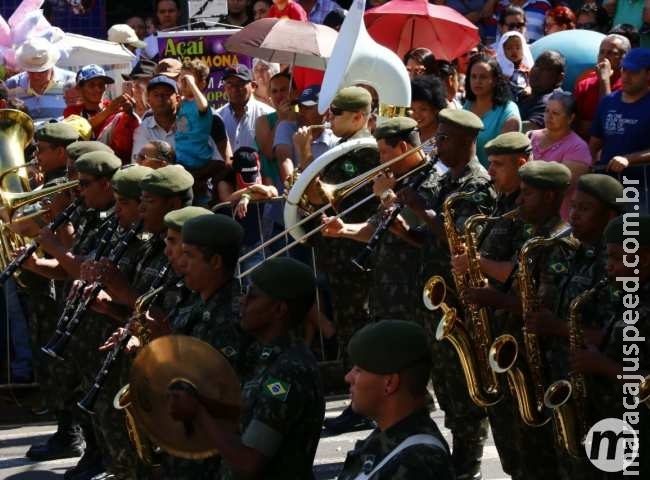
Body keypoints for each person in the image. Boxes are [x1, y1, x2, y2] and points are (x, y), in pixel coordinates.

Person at [397, 108, 495, 480]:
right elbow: (424, 236)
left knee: (464, 392)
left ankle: (467, 468)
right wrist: (404, 219)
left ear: (468, 141)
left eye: (444, 138)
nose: (437, 145)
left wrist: (420, 210)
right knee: (448, 390)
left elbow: (459, 237)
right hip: (437, 301)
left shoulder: (477, 183)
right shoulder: (443, 178)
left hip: (460, 300)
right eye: (436, 137)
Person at [167, 257, 325, 479]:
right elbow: (242, 419)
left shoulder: (289, 370)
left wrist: (199, 413)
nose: (242, 301)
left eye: (253, 296)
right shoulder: (265, 354)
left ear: (279, 309)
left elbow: (249, 463)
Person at [451, 131, 529, 478]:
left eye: (498, 164)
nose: (490, 170)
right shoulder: (500, 203)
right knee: (505, 430)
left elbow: (518, 271)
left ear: (522, 165)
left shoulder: (526, 208)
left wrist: (475, 263)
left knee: (526, 439)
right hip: (491, 325)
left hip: (516, 332)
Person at [321, 117, 424, 322]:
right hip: (386, 291)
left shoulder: (428, 180)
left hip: (413, 292)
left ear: (403, 147)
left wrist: (385, 195)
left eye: (384, 152)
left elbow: (409, 228)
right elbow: (378, 226)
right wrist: (343, 229)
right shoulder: (396, 180)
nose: (380, 161)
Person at [571, 215, 650, 478]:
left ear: (644, 258)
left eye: (616, 258)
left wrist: (602, 365)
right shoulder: (629, 295)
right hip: (613, 424)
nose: (609, 266)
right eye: (608, 257)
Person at [318, 86, 376, 434]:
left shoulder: (363, 151)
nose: (330, 117)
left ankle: (362, 403)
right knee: (349, 325)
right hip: (340, 255)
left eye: (337, 112)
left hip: (355, 254)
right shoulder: (343, 148)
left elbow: (346, 199)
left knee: (358, 327)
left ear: (358, 116)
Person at [336, 320, 455, 479]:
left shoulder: (416, 465)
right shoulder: (391, 438)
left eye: (359, 370)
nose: (348, 377)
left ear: (389, 383)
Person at [589, 47, 650, 213]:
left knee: (630, 235)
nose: (626, 76)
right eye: (625, 70)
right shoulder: (608, 102)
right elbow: (595, 142)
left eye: (634, 72)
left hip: (639, 187)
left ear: (648, 74)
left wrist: (629, 159)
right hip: (607, 183)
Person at [528, 91, 590, 221]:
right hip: (525, 213)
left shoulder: (578, 148)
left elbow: (561, 187)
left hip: (555, 220)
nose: (548, 117)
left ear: (570, 118)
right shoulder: (530, 136)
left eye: (555, 113)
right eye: (546, 111)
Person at [464, 53, 521, 167]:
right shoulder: (468, 105)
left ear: (495, 80)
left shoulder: (508, 112)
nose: (477, 81)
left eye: (483, 77)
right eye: (473, 76)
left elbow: (504, 157)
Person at [573, 34, 631, 138]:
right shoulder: (584, 84)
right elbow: (574, 123)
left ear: (625, 58)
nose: (604, 57)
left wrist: (604, 80)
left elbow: (610, 124)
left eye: (611, 53)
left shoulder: (629, 87)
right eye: (601, 52)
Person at [5, 36, 75, 119]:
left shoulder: (72, 82)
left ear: (51, 65)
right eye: (31, 71)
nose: (36, 76)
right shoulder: (11, 85)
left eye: (42, 71)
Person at [216, 64, 275, 152]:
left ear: (253, 86)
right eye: (230, 84)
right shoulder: (217, 117)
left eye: (240, 84)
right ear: (224, 87)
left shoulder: (268, 114)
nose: (235, 89)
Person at [517, 50, 566, 131]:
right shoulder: (528, 93)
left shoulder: (551, 101)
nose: (537, 71)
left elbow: (529, 129)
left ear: (559, 78)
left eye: (546, 69)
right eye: (537, 65)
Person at [496, 31, 533, 102]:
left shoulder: (527, 69)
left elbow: (533, 84)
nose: (514, 51)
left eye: (518, 48)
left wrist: (529, 88)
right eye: (509, 48)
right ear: (503, 51)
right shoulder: (498, 70)